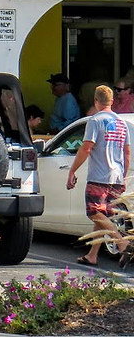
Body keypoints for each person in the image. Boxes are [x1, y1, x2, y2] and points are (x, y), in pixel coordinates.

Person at [66, 85, 131, 267]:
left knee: (94, 212)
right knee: (104, 217)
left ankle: (122, 242)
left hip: (99, 176)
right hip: (116, 176)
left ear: (96, 101)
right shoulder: (121, 123)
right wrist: (123, 176)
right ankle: (92, 255)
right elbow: (127, 152)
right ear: (111, 101)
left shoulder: (95, 120)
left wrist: (73, 170)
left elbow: (86, 147)